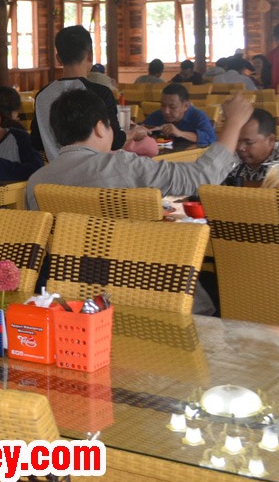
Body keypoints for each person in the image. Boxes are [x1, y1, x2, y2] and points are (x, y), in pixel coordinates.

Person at [25, 90, 253, 314]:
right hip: (152, 295)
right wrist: (233, 123)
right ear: (100, 128)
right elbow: (200, 177)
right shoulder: (122, 166)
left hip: (77, 302)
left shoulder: (36, 181)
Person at [31, 26, 125, 162]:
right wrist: (132, 134)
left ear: (58, 58)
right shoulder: (100, 93)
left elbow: (36, 142)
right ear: (90, 56)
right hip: (93, 169)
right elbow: (115, 141)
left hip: (55, 170)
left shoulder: (42, 95)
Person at [224, 108, 279, 184]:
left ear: (271, 140)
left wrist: (236, 185)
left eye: (249, 142)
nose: (240, 147)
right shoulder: (233, 154)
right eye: (237, 140)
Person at [130, 84, 216, 146]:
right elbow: (142, 127)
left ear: (186, 106)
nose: (166, 111)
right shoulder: (158, 115)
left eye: (172, 107)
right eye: (163, 105)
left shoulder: (198, 116)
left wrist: (180, 133)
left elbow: (210, 138)